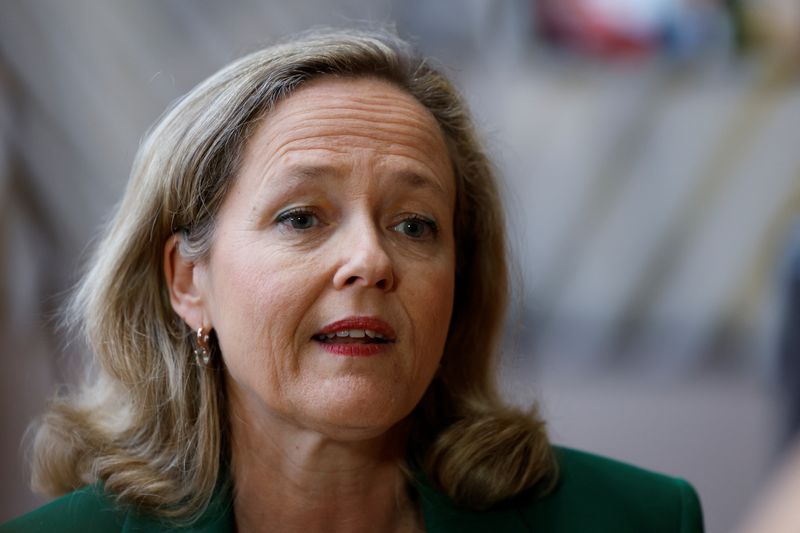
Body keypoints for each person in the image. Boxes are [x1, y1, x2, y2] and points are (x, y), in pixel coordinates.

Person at [1, 29, 704, 532]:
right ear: (189, 281)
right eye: (303, 216)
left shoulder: (639, 518)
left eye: (415, 225)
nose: (371, 259)